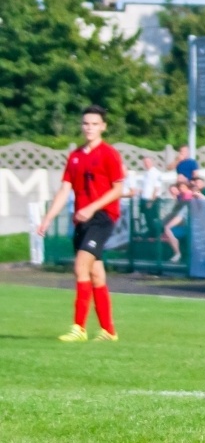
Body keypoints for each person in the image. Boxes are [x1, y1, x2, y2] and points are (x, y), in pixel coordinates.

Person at [37, 106, 125, 342]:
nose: (89, 128)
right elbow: (65, 189)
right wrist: (48, 218)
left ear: (103, 127)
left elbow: (118, 189)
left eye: (95, 124)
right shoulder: (75, 156)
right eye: (86, 123)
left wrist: (92, 207)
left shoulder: (109, 154)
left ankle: (79, 327)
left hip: (102, 217)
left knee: (80, 266)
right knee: (96, 274)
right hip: (83, 219)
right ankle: (108, 331)